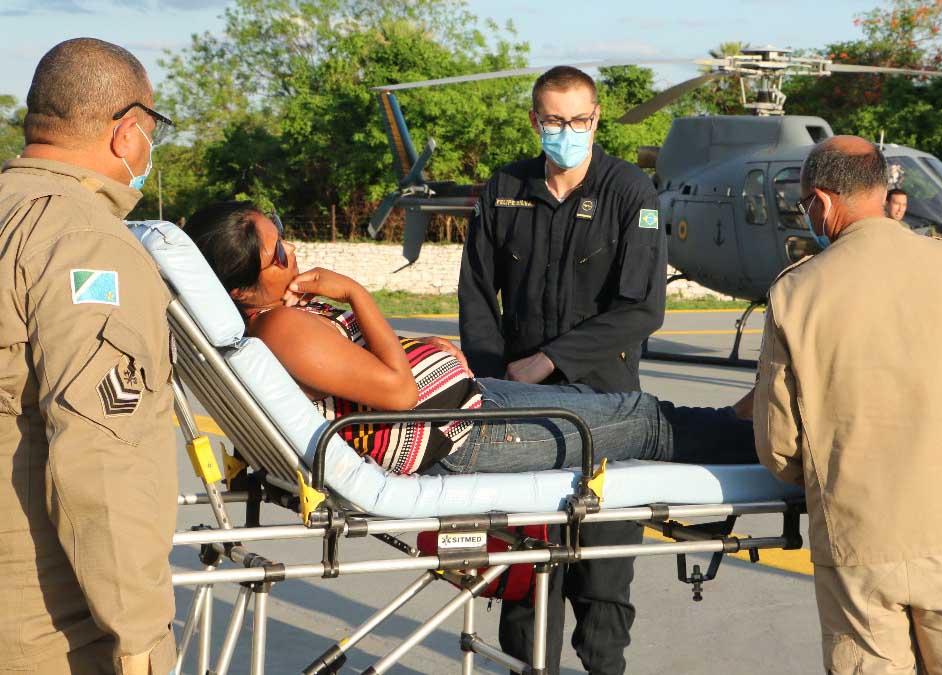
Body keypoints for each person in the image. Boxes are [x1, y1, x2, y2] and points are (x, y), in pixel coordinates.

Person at [183, 201, 753, 475]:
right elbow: (400, 395)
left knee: (622, 408)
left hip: (467, 407)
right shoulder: (282, 328)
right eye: (278, 252)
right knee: (643, 423)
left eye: (283, 234)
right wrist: (356, 293)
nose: (291, 251)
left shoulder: (280, 316)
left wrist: (429, 352)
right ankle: (760, 444)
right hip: (461, 437)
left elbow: (369, 369)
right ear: (241, 288)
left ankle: (740, 425)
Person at [754, 135, 942, 673]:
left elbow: (778, 446)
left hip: (858, 536)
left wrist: (835, 482)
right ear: (882, 187)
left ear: (821, 202)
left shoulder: (797, 291)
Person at [456, 65, 664, 674]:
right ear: (535, 121)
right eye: (554, 121)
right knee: (528, 579)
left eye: (578, 120)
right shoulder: (504, 188)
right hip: (519, 410)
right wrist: (495, 386)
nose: (566, 131)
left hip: (607, 408)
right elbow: (476, 295)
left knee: (602, 585)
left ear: (596, 119)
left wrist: (548, 361)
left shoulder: (630, 192)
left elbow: (641, 309)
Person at [0, 39, 177, 674]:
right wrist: (139, 638)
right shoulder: (83, 241)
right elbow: (102, 459)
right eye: (154, 133)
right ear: (127, 132)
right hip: (43, 624)